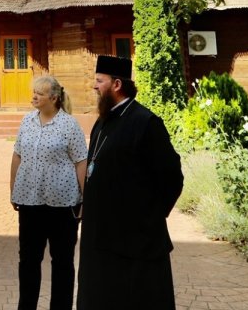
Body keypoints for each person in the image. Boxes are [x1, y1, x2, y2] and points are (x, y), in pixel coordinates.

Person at [76, 55, 184, 310]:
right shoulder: (102, 122)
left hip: (135, 243)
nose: (94, 86)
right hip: (100, 240)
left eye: (99, 81)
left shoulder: (145, 123)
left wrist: (148, 216)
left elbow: (172, 178)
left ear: (116, 84)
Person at [9, 74, 87, 310]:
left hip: (62, 206)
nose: (34, 96)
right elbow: (17, 155)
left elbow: (81, 162)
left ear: (54, 98)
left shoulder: (69, 125)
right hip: (30, 202)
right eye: (34, 92)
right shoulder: (27, 121)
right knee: (28, 261)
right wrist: (13, 189)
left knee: (62, 262)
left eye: (39, 94)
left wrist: (86, 199)